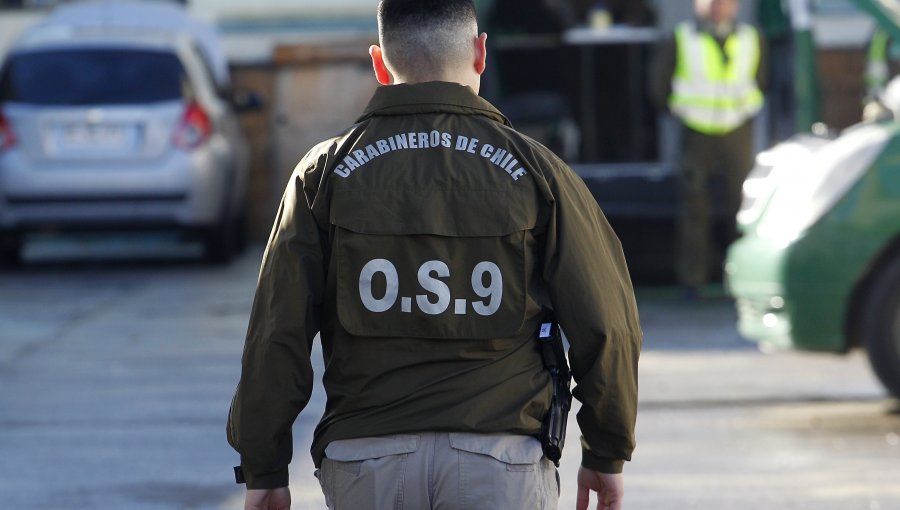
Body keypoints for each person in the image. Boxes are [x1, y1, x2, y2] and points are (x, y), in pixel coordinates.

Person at [226, 1, 642, 509]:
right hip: (502, 458)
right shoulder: (539, 172)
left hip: (366, 459)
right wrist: (605, 450)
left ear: (380, 63)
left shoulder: (323, 174)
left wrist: (264, 465)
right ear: (480, 53)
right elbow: (608, 324)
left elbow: (277, 331)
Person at [650, 0, 766, 296]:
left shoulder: (751, 37)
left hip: (737, 128)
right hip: (696, 130)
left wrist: (746, 107)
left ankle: (741, 277)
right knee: (694, 206)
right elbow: (658, 82)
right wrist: (676, 109)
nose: (717, 7)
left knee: (741, 206)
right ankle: (694, 280)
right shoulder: (681, 37)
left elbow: (761, 79)